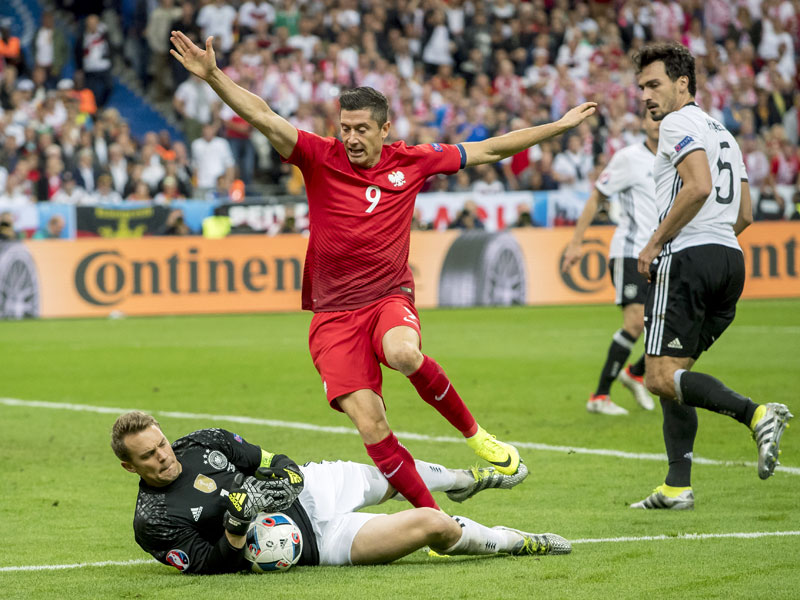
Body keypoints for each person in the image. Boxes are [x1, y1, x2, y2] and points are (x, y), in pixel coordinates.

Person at [169, 30, 596, 510]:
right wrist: (213, 77)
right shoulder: (318, 155)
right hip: (332, 315)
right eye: (344, 127)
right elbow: (263, 115)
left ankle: (478, 437)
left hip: (388, 296)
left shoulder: (411, 163)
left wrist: (557, 127)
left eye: (361, 129)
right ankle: (431, 519)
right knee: (373, 425)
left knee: (405, 353)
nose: (350, 137)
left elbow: (490, 150)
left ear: (384, 129)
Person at [630, 43, 793, 510]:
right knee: (674, 372)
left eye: (654, 84)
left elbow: (699, 186)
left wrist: (656, 241)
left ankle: (756, 414)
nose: (646, 95)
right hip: (729, 258)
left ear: (683, 83)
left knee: (658, 376)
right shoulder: (723, 131)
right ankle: (677, 486)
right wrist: (715, 238)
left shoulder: (677, 122)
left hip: (688, 258)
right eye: (641, 87)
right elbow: (744, 212)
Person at [111, 411, 566, 575]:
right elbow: (209, 566)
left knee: (395, 473)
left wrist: (287, 475)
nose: (164, 456)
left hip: (316, 486)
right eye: (148, 456)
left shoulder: (199, 443)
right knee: (434, 525)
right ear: (129, 465)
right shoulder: (152, 520)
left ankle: (466, 479)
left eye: (162, 444)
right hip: (317, 543)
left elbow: (268, 460)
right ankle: (520, 541)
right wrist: (233, 527)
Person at [562, 112, 661, 416]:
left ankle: (634, 373)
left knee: (668, 322)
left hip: (663, 252)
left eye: (663, 116)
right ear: (644, 123)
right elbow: (597, 197)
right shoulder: (629, 158)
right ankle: (600, 396)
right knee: (634, 322)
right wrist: (577, 243)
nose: (657, 122)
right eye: (652, 116)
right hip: (630, 251)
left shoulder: (677, 160)